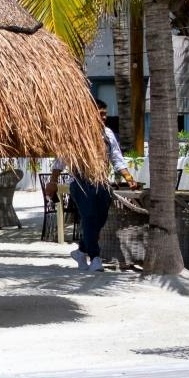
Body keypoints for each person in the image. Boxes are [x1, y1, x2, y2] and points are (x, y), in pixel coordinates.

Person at [68, 97, 130, 271]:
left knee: (100, 219)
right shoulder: (77, 134)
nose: (104, 118)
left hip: (101, 181)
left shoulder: (108, 134)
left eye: (105, 115)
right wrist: (52, 181)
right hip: (81, 181)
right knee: (89, 217)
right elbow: (62, 158)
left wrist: (129, 178)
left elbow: (116, 157)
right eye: (101, 114)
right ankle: (95, 258)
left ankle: (81, 251)